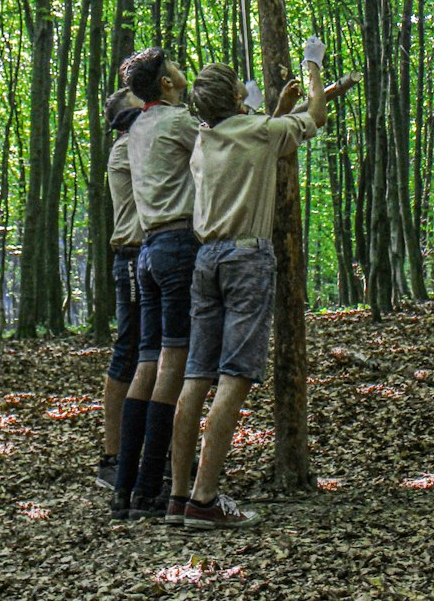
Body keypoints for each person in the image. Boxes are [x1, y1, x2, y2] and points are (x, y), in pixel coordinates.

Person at [166, 45, 360, 529]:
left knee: (197, 376)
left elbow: (257, 145)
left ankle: (176, 496)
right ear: (236, 96)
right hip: (247, 260)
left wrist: (272, 111)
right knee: (236, 374)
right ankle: (205, 499)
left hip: (205, 261)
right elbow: (314, 117)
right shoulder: (257, 132)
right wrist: (314, 63)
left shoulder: (204, 143)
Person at [111, 46, 198, 522]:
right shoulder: (177, 121)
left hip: (146, 252)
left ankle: (125, 486)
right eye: (174, 68)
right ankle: (149, 486)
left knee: (147, 360)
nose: (181, 71)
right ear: (166, 84)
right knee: (173, 361)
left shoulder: (137, 127)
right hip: (178, 245)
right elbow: (221, 143)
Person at [96, 86, 145, 489]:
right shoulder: (125, 148)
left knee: (156, 353)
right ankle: (113, 457)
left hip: (152, 254)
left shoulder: (145, 139)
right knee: (127, 352)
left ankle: (148, 450)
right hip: (132, 254)